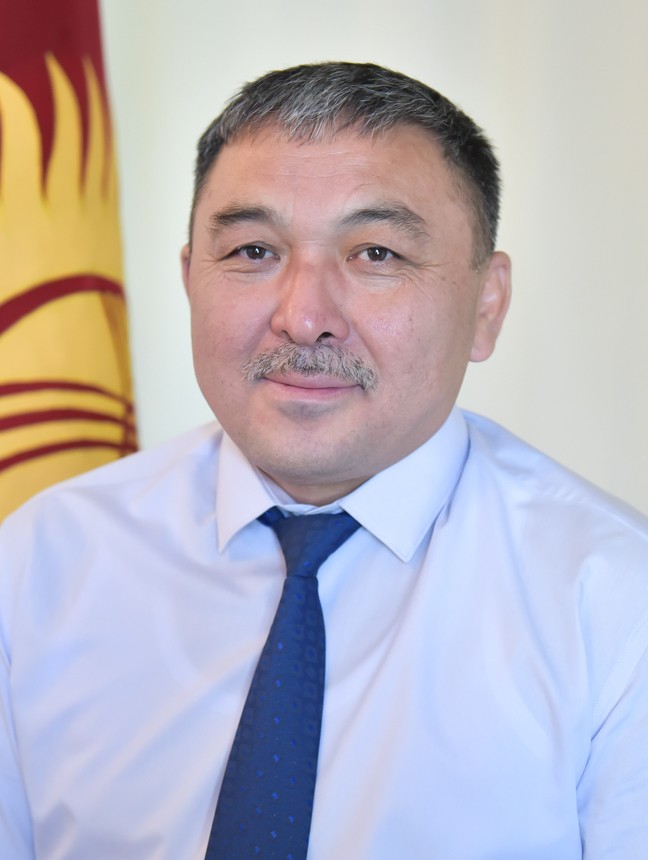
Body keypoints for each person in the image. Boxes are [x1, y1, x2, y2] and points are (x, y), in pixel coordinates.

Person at [1, 62, 647, 860]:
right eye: (252, 251)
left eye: (375, 253)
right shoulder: (40, 564)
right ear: (190, 280)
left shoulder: (616, 604)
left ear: (488, 303)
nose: (304, 318)